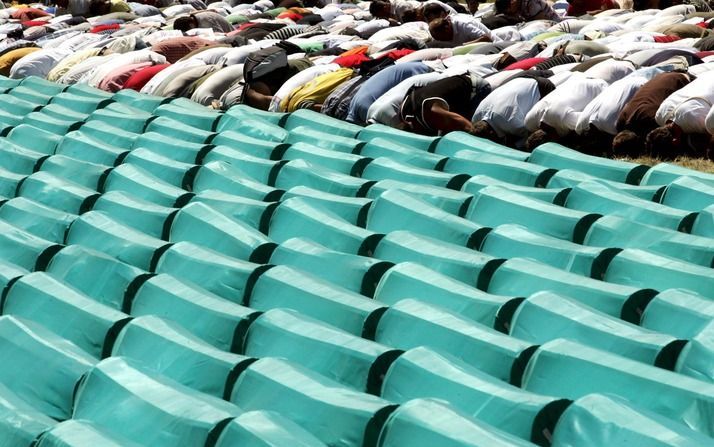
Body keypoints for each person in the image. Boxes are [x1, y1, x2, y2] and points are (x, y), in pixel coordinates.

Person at [472, 73, 555, 147]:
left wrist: (515, 146)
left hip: (542, 87)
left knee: (546, 125)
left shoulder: (511, 124)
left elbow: (530, 136)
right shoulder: (475, 117)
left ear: (491, 133)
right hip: (519, 78)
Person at [646, 70, 714, 158]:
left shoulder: (696, 122)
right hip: (706, 76)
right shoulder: (659, 115)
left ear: (675, 141)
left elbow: (712, 142)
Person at [400, 71, 491, 135]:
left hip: (477, 89)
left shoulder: (432, 113)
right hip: (458, 86)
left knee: (476, 131)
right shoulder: (404, 111)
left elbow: (465, 125)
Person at [495, 0, 561, 22]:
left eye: (507, 11)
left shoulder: (530, 3)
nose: (508, 13)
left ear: (513, 3)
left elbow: (542, 20)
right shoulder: (517, 7)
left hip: (552, 21)